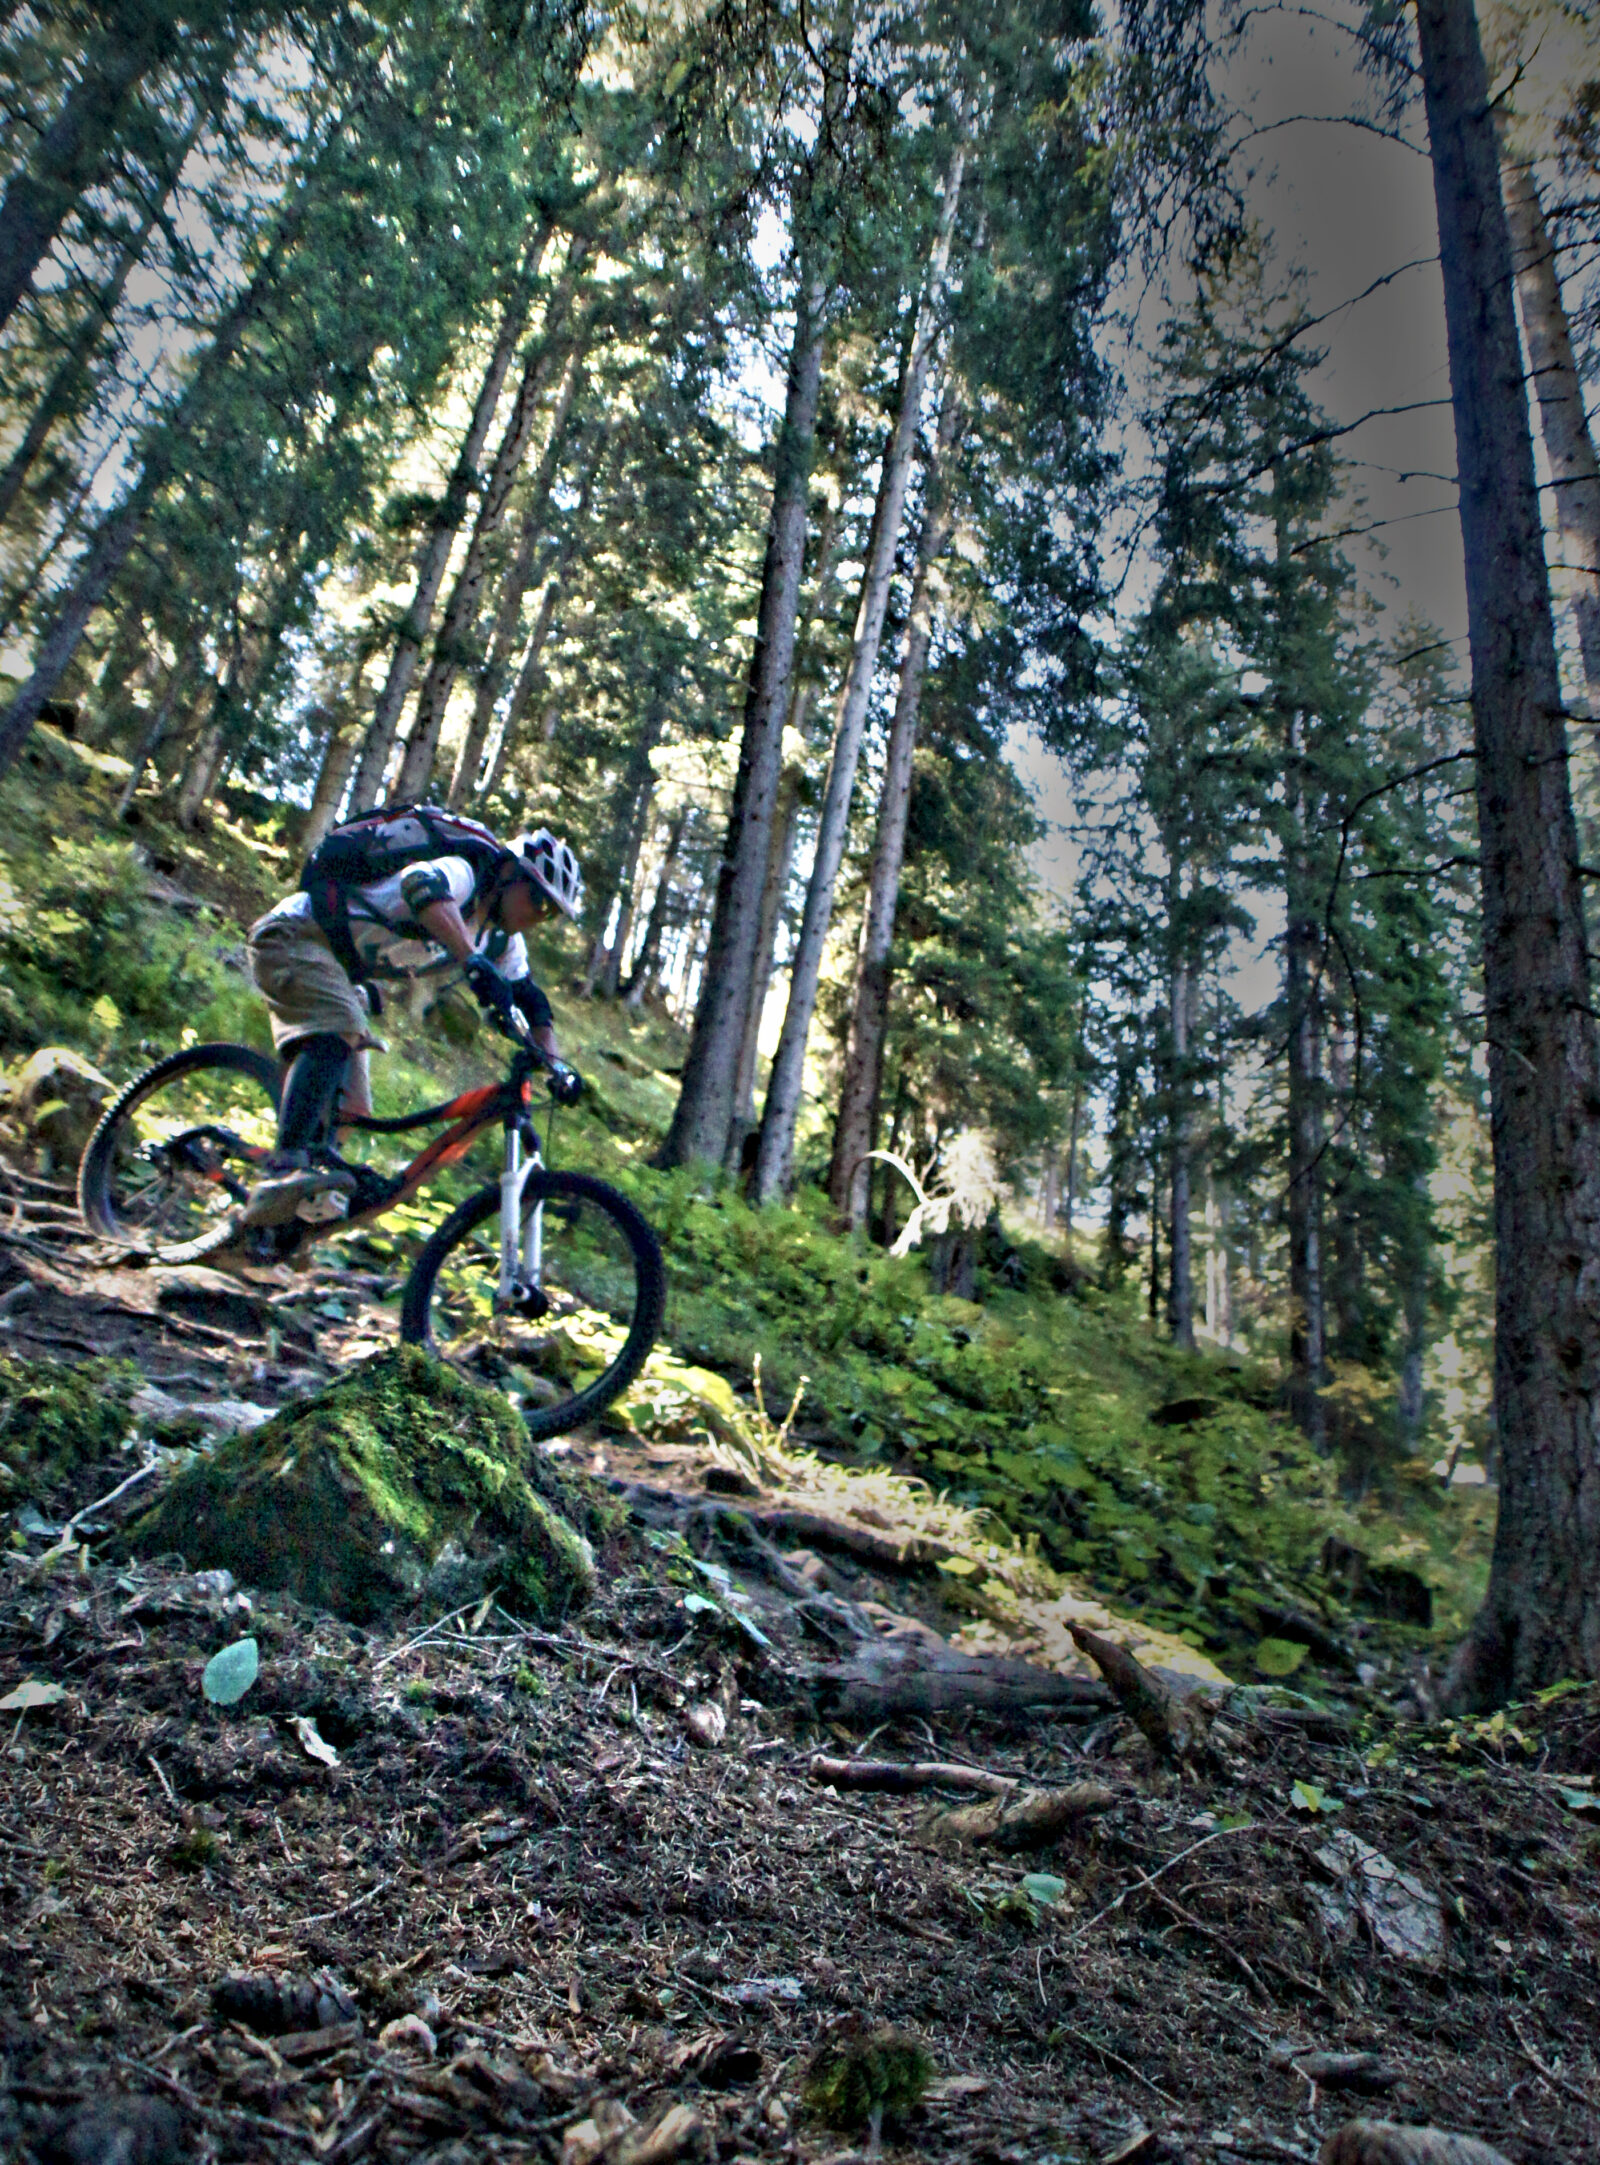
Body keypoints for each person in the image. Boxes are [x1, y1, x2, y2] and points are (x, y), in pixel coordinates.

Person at [241, 827, 584, 1229]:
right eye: (538, 899)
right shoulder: (465, 874)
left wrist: (558, 1066)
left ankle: (276, 1231)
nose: (538, 916)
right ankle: (281, 1172)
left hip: (336, 969)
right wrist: (471, 960)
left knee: (351, 1109)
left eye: (551, 913)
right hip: (296, 934)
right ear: (508, 873)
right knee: (338, 1031)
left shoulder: (502, 942)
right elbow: (420, 883)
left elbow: (534, 1004)